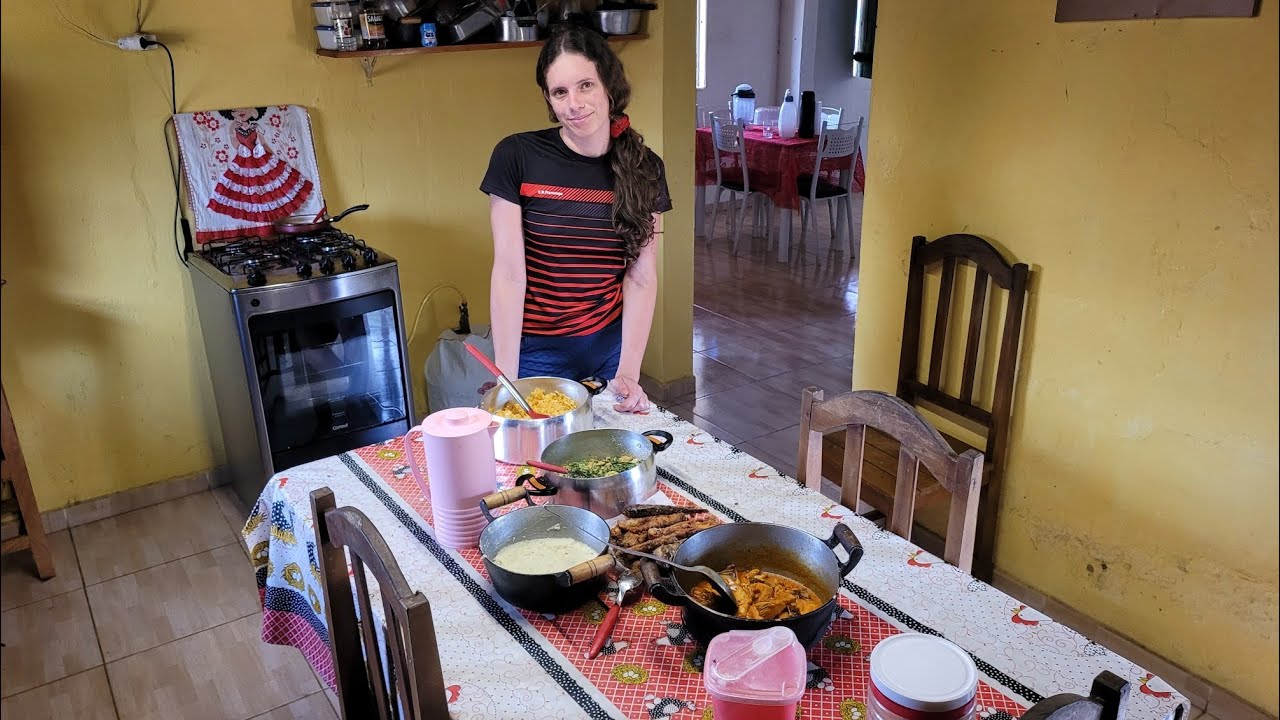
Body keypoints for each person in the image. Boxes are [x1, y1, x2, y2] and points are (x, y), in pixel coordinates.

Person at [480, 26, 671, 414]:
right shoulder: (516, 156)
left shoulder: (646, 169)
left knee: (602, 461)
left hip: (609, 351)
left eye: (585, 85)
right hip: (534, 353)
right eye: (560, 92)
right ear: (549, 99)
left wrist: (628, 373)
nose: (574, 104)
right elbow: (510, 274)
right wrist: (507, 376)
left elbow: (641, 276)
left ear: (609, 87)